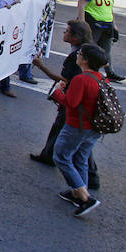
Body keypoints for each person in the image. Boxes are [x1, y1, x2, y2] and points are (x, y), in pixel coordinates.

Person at [29, 20, 101, 189]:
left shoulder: (77, 57)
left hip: (78, 109)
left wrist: (42, 68)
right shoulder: (89, 51)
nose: (64, 33)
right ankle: (48, 155)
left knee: (76, 146)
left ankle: (85, 183)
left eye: (67, 31)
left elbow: (66, 85)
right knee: (64, 132)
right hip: (85, 107)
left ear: (75, 37)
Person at [50, 43, 108, 217]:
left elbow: (71, 103)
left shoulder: (81, 79)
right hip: (93, 128)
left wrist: (57, 92)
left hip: (77, 126)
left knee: (61, 156)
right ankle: (77, 192)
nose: (77, 55)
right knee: (80, 157)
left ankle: (84, 197)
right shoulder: (100, 78)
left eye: (80, 53)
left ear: (85, 60)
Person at [77, 0, 123, 82]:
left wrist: (114, 25)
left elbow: (110, 10)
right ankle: (80, 70)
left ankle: (110, 72)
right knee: (89, 48)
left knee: (106, 51)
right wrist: (83, 23)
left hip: (107, 25)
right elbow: (81, 7)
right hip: (94, 24)